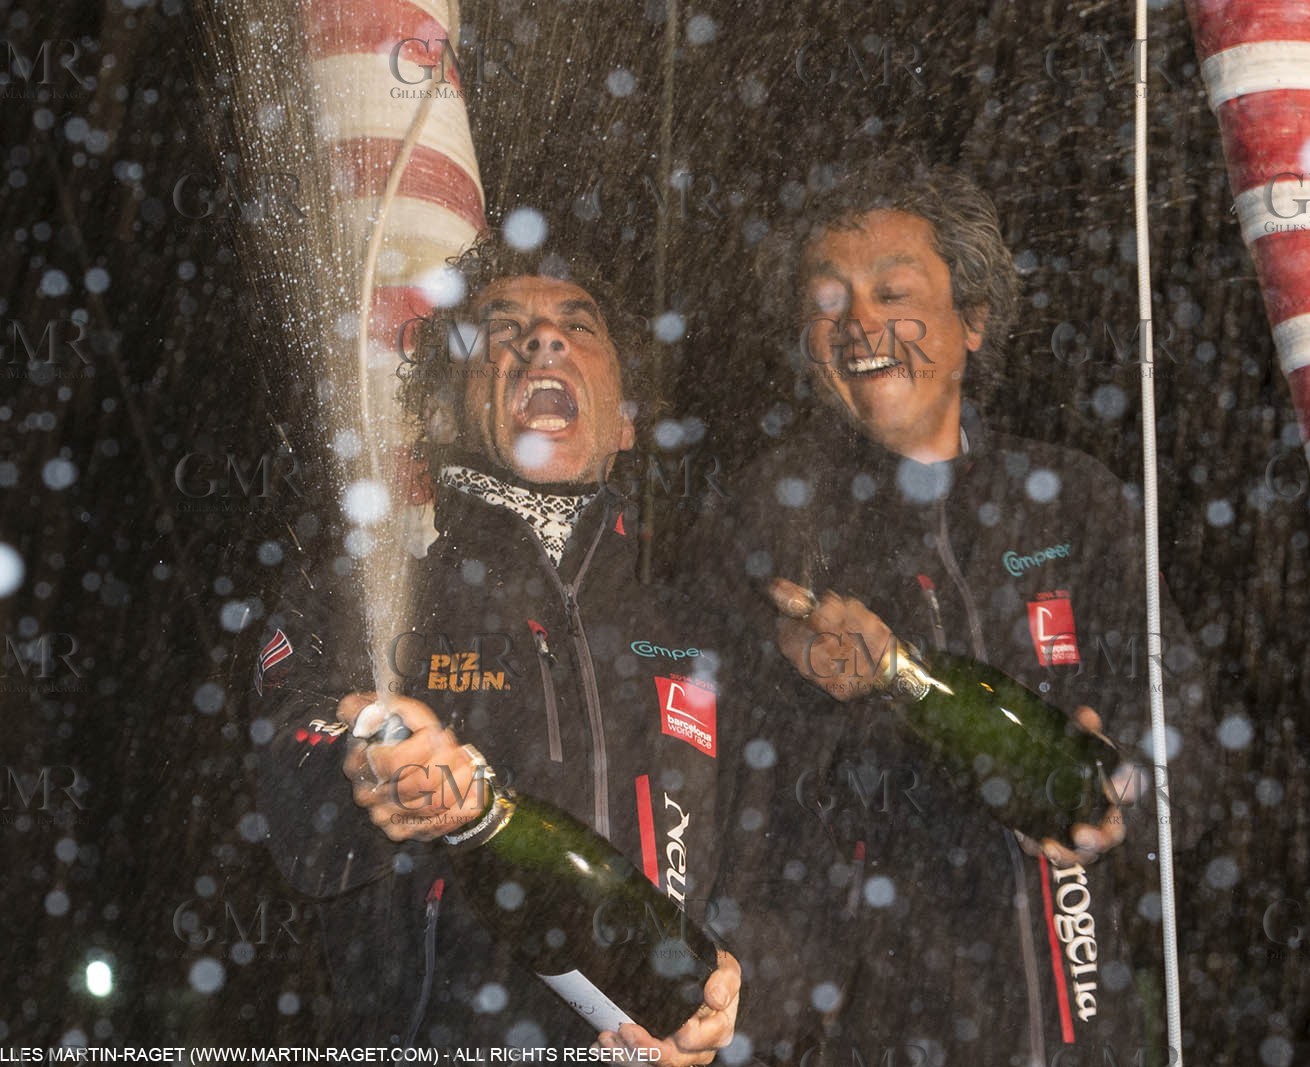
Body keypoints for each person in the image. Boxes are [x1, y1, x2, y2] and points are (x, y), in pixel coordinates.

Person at [693, 156, 1209, 1066]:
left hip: (1094, 1029)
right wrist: (798, 666)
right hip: (877, 1032)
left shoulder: (1072, 502)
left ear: (972, 320)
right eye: (828, 301)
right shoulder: (764, 518)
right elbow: (725, 791)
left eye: (893, 290)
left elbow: (1184, 728)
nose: (860, 324)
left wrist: (1125, 781)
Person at [250, 236, 740, 1063]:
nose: (542, 342)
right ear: (443, 407)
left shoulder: (704, 623)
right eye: (501, 330)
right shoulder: (364, 596)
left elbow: (773, 871)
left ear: (626, 419)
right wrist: (365, 760)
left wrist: (732, 987)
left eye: (577, 328)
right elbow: (295, 794)